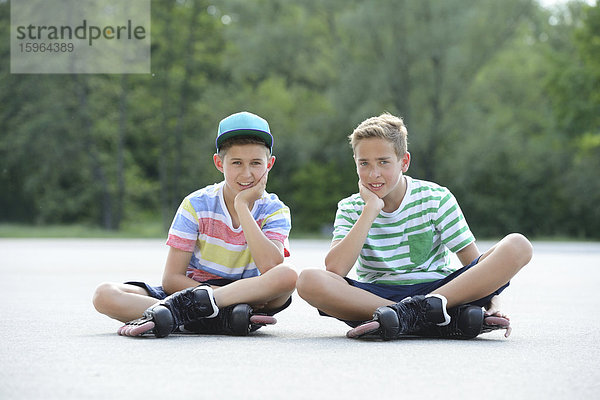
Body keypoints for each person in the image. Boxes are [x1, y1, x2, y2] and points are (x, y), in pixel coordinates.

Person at [296, 112, 533, 339]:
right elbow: (335, 270)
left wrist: (493, 300)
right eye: (364, 164)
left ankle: (406, 317)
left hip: (441, 292)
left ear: (404, 162)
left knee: (518, 245)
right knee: (308, 280)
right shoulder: (350, 207)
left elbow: (473, 264)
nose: (373, 173)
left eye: (383, 162)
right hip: (376, 296)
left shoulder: (436, 197)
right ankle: (437, 320)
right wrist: (370, 210)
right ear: (355, 163)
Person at [93, 111, 297, 338]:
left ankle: (173, 316)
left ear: (269, 164)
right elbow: (171, 279)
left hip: (249, 291)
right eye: (236, 163)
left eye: (256, 163)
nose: (246, 173)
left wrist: (242, 206)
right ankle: (217, 319)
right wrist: (215, 296)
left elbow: (271, 266)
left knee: (287, 276)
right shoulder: (196, 204)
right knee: (104, 294)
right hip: (194, 291)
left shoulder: (275, 209)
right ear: (219, 163)